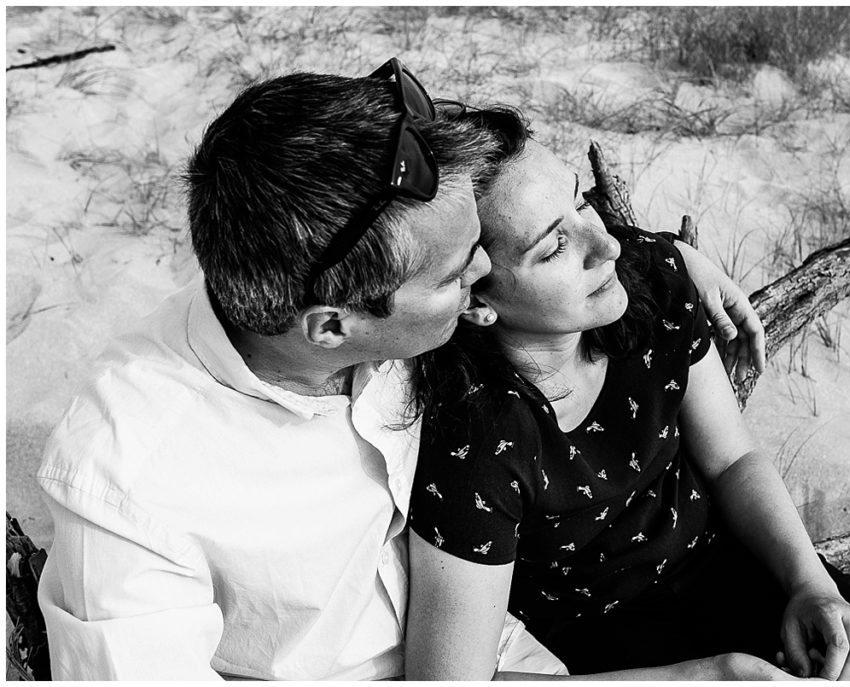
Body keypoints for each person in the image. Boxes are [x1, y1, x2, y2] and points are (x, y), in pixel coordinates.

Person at [34, 60, 764, 680]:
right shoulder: (129, 482)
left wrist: (660, 256)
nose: (483, 281)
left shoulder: (377, 278)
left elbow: (527, 225)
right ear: (333, 328)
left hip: (533, 648)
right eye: (456, 279)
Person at [404, 107, 850, 680]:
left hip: (733, 565)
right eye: (553, 248)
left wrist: (810, 584)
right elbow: (449, 679)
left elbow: (731, 459)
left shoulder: (653, 284)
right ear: (474, 299)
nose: (608, 248)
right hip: (598, 650)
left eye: (580, 202)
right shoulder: (474, 438)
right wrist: (704, 676)